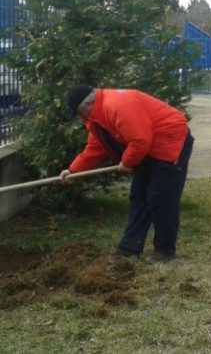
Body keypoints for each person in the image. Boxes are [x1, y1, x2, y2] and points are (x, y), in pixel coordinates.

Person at [60, 85, 194, 263]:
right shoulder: (96, 118)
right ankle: (129, 248)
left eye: (79, 112)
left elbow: (140, 139)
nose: (79, 118)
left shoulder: (116, 105)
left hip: (170, 142)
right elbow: (96, 147)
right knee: (139, 195)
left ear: (88, 102)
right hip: (148, 149)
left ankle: (164, 251)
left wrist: (128, 161)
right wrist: (73, 171)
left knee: (160, 197)